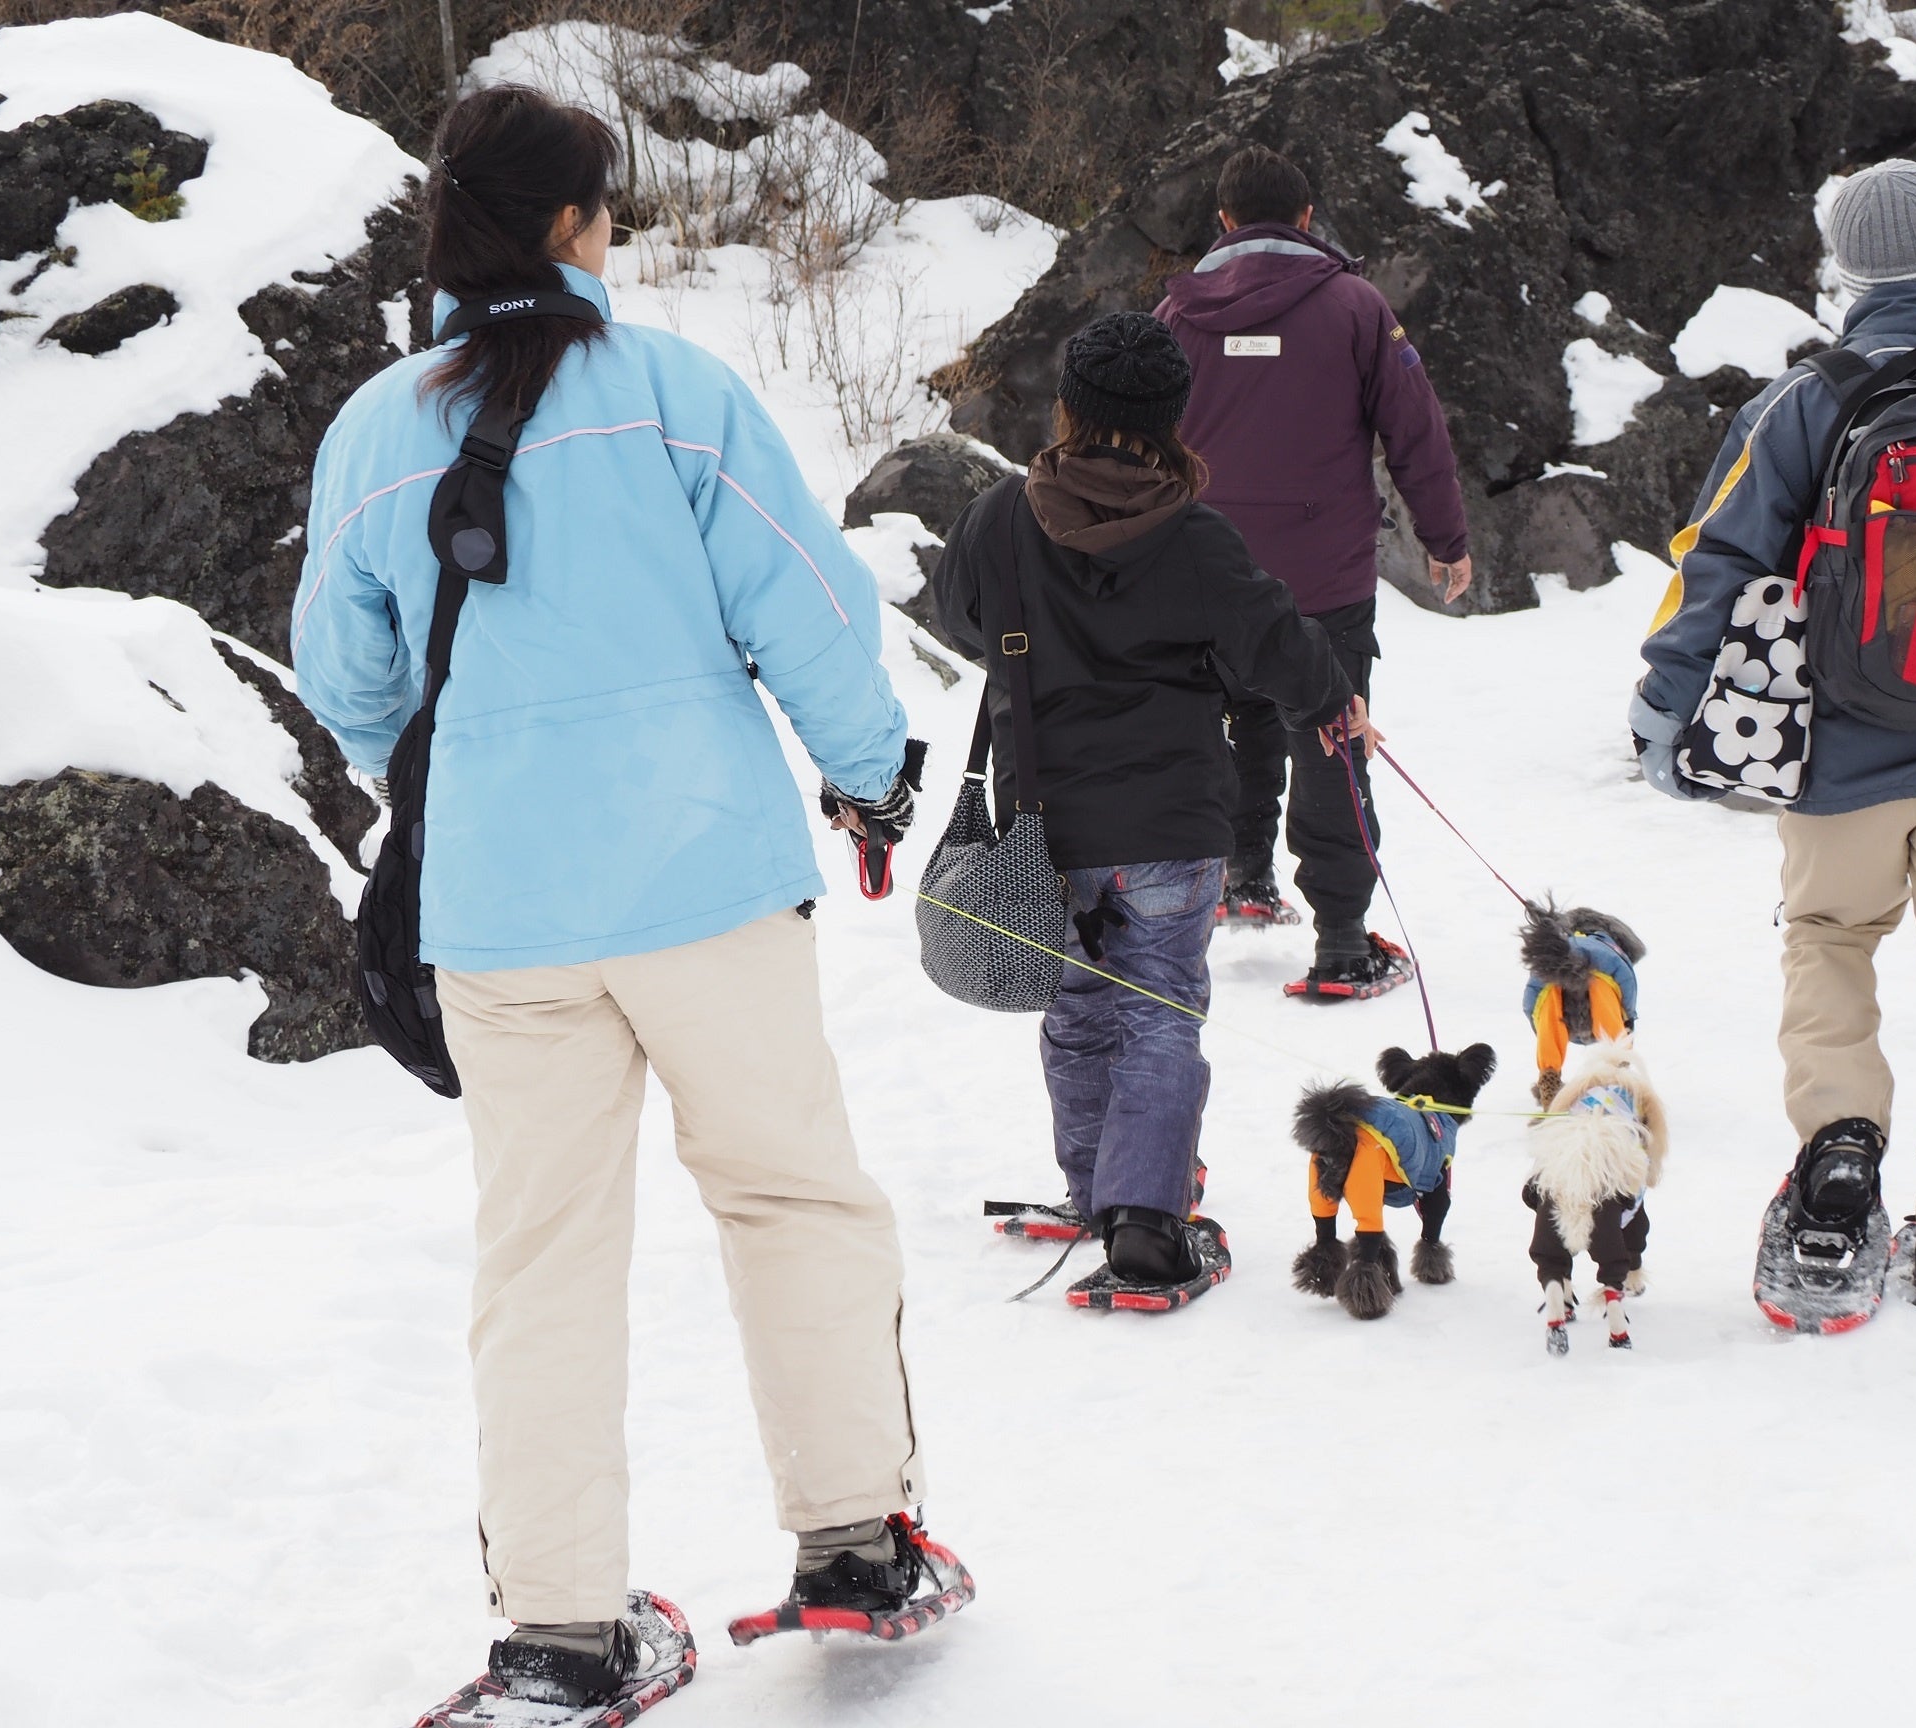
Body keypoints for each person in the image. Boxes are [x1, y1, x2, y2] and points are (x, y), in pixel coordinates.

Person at [291, 88, 954, 1711]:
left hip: (503, 914)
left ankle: (559, 1630)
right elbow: (802, 601)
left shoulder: (375, 428)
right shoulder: (671, 395)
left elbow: (343, 670)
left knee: (542, 1258)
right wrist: (866, 776)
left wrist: (466, 775)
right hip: (706, 880)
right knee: (790, 1199)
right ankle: (856, 1543)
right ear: (577, 225)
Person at [1632, 158, 1916, 1322]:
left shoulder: (1800, 403)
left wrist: (1664, 709)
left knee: (1831, 937)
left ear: (1845, 274)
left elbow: (1718, 565)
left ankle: (1840, 1158)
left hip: (1837, 758)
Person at [930, 311, 1375, 1291]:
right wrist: (1336, 706)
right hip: (1171, 830)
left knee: (1082, 1013)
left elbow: (959, 614)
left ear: (1069, 407)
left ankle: (1104, 1189)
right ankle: (1141, 1221)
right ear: (1174, 417)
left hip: (1049, 824)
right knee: (1160, 1012)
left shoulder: (1000, 517)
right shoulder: (1194, 536)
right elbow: (1276, 642)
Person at [1155, 144, 1471, 999]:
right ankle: (1340, 945)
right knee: (1330, 741)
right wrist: (1445, 539)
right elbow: (1417, 432)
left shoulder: (1176, 316)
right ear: (1305, 219)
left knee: (1237, 723)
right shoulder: (1355, 307)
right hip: (1322, 579)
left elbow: (1139, 444)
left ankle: (1242, 878)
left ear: (1222, 222)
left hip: (1204, 577)